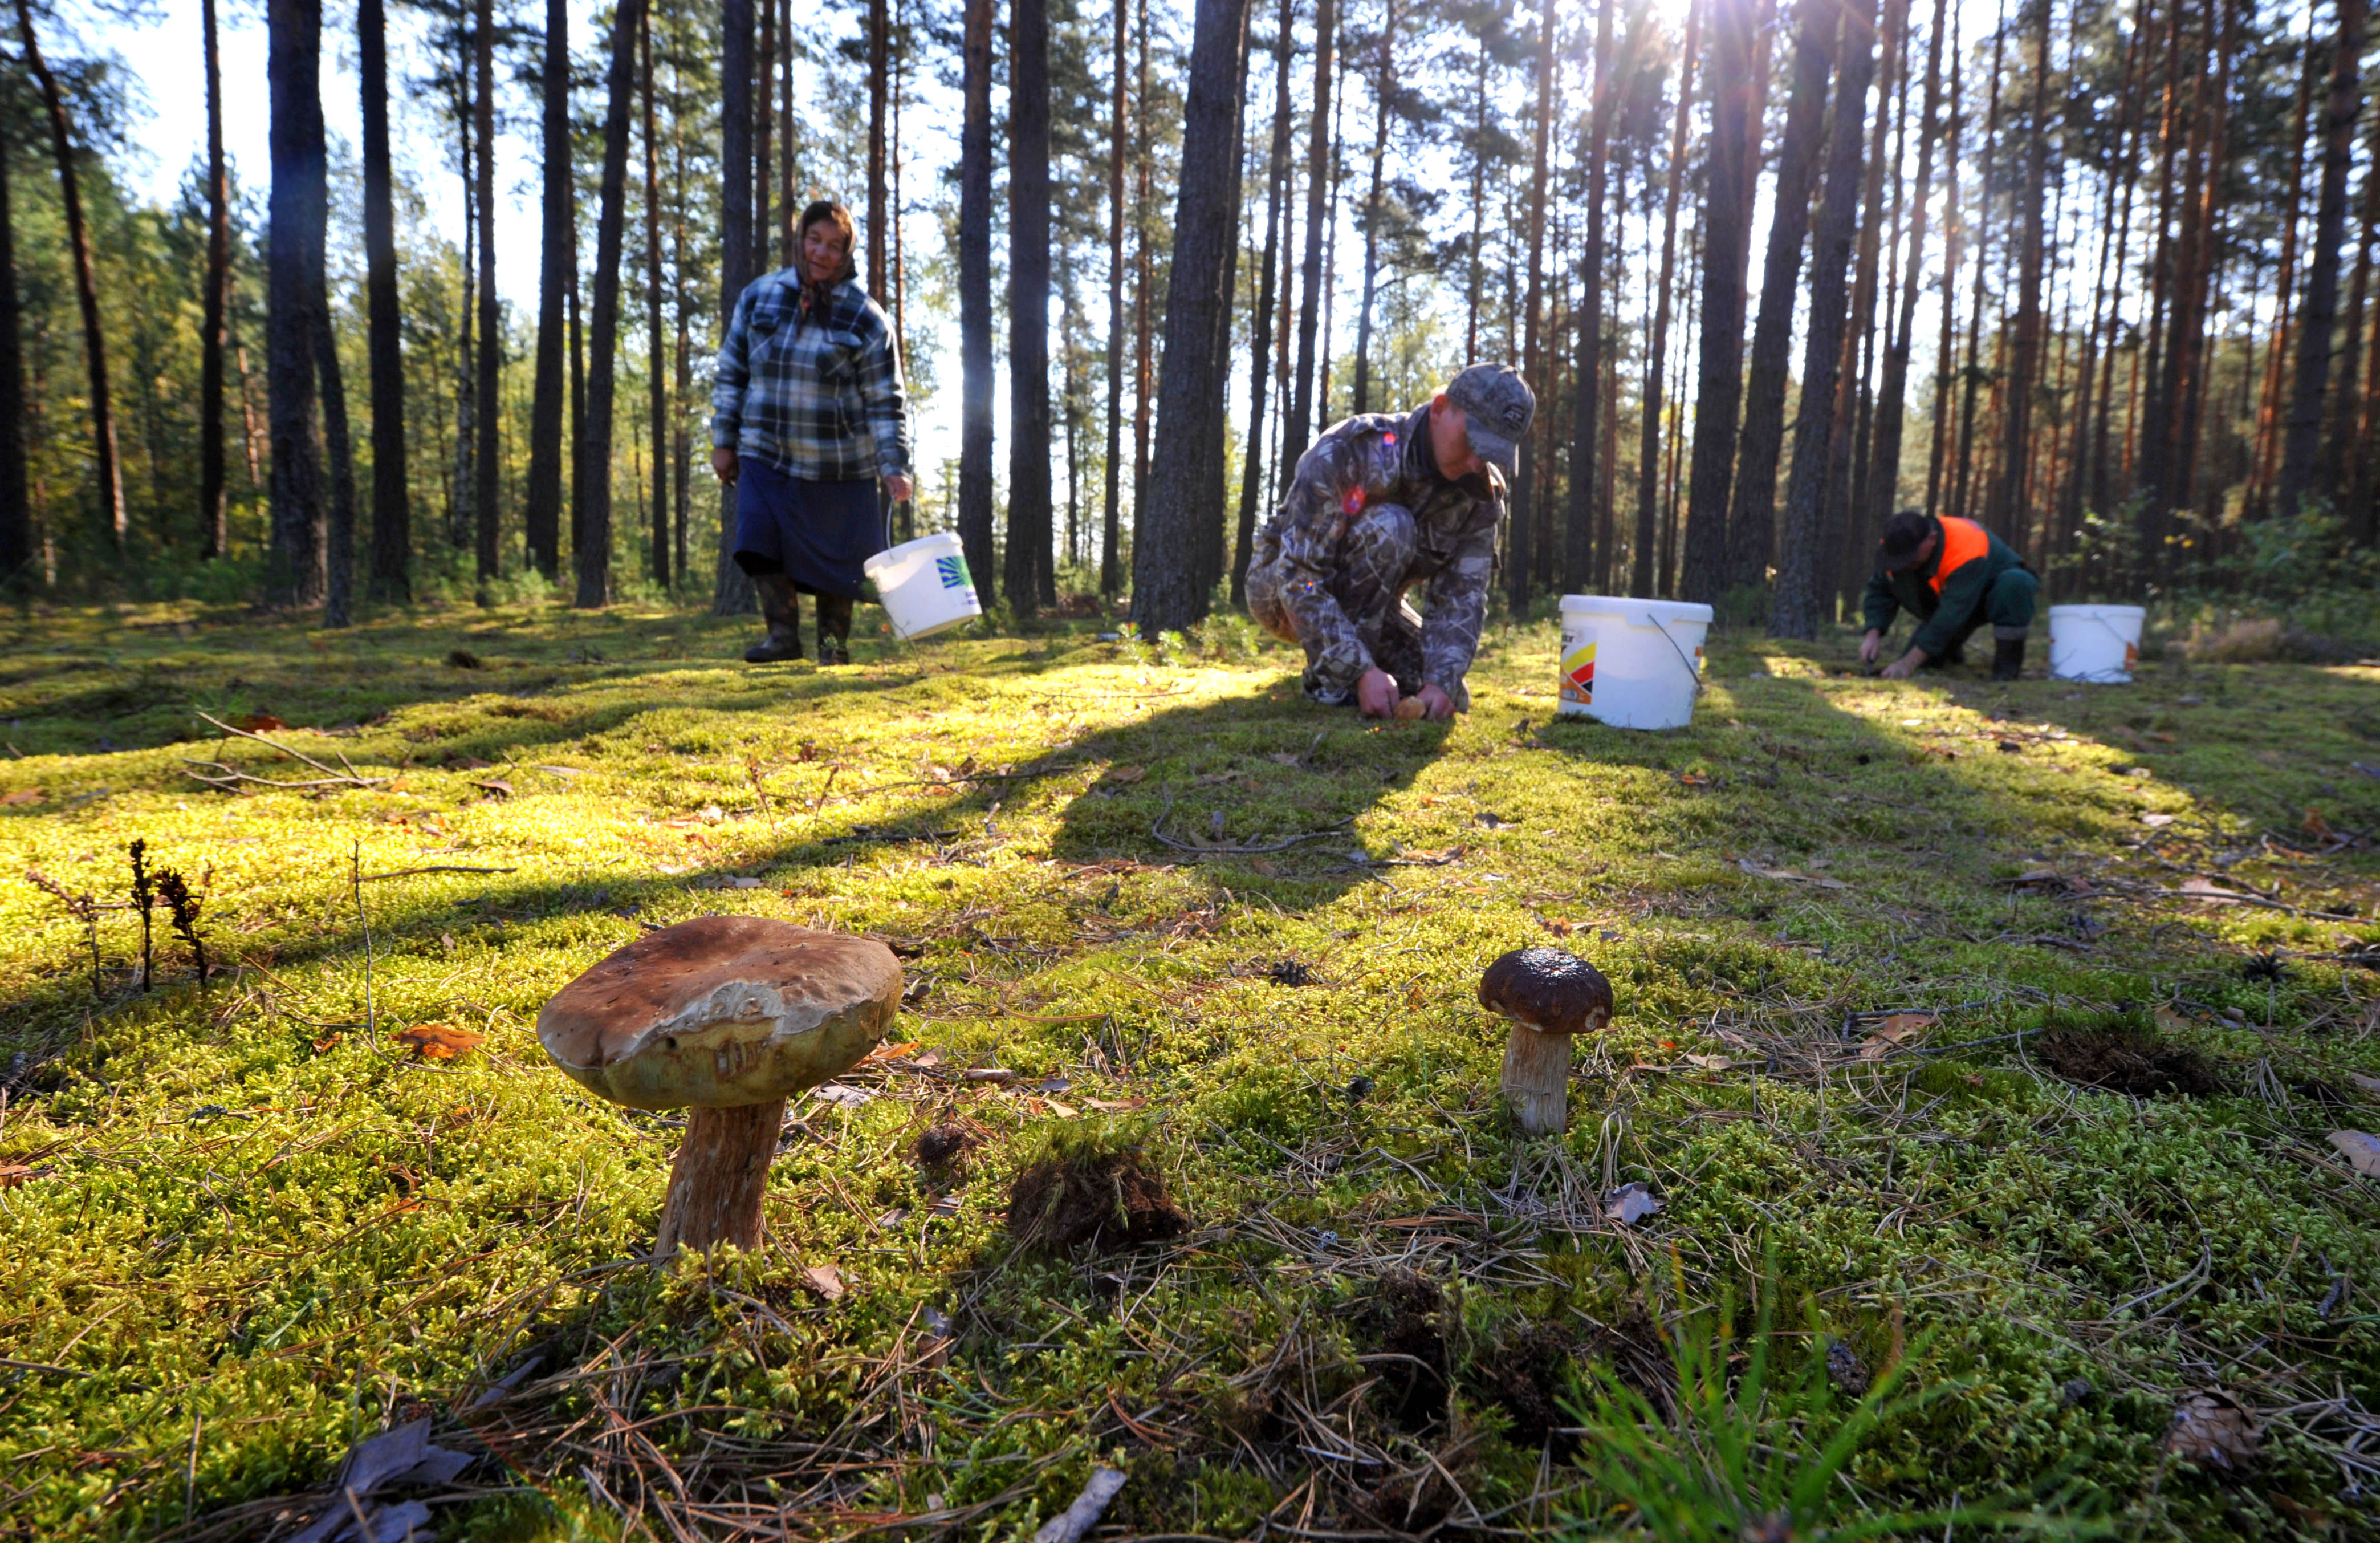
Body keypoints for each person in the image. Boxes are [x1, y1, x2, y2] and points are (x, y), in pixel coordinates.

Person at [1245, 364, 1534, 721]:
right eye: (1472, 441)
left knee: (1449, 694)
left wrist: (1440, 683)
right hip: (1280, 591)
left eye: (1491, 452)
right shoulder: (1352, 449)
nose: (1477, 461)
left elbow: (1462, 596)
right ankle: (1333, 683)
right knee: (1391, 527)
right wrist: (1359, 671)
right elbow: (1299, 575)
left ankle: (1357, 668)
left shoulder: (1480, 495)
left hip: (1378, 607)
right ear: (1440, 408)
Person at [711, 200, 914, 665]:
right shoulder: (759, 296)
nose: (822, 253)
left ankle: (832, 649)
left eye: (834, 246)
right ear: (800, 239)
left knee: (838, 560)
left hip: (839, 463)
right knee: (759, 541)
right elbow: (731, 373)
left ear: (846, 254)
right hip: (764, 451)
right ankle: (782, 638)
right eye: (814, 240)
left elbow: (886, 400)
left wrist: (895, 465)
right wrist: (724, 441)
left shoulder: (865, 317)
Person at [1858, 509, 2039, 681]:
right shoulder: (1895, 545)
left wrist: (1908, 662)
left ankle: (2007, 671)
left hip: (1990, 594)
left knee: (2014, 584)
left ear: (1932, 539)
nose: (1904, 563)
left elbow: (1952, 613)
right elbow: (1880, 590)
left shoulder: (1966, 546)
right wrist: (1873, 634)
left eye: (1911, 558)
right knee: (1925, 664)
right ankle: (1951, 655)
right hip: (1949, 600)